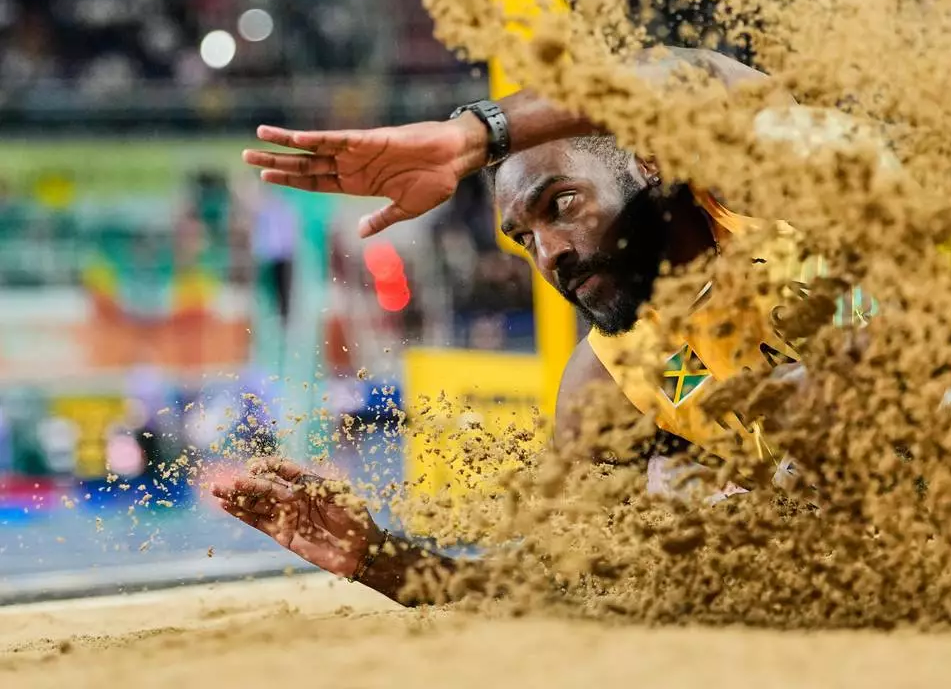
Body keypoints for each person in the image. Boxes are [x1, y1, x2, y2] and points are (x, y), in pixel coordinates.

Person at [212, 46, 886, 603]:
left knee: (822, 398)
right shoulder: (612, 379)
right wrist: (377, 558)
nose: (550, 254)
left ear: (648, 162)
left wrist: (471, 135)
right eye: (524, 238)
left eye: (562, 204)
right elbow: (562, 580)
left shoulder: (768, 182)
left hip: (946, 414)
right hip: (895, 564)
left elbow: (688, 75)